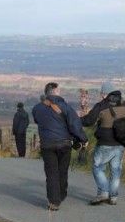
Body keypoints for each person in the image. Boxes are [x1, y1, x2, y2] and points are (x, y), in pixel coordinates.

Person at [32, 82, 88, 211]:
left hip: (47, 144)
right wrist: (83, 139)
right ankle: (61, 194)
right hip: (64, 143)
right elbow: (75, 125)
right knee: (62, 171)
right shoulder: (66, 107)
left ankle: (53, 201)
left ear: (46, 93)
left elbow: (37, 120)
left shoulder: (37, 108)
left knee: (51, 172)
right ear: (56, 91)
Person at [81, 81, 125, 205]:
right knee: (116, 170)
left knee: (97, 167)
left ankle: (103, 193)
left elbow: (89, 121)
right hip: (120, 143)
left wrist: (76, 120)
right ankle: (113, 197)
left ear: (103, 94)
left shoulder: (102, 105)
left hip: (105, 143)